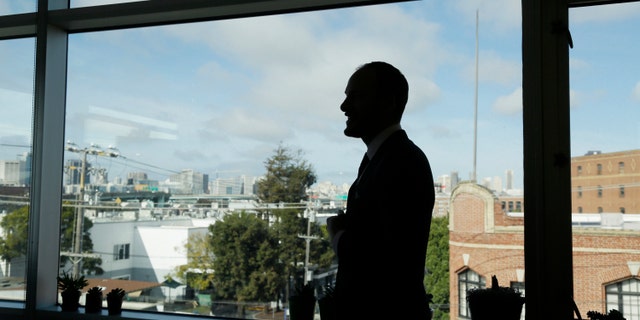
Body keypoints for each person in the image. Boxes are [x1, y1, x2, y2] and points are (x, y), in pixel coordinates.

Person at [327, 61, 435, 320]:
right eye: (346, 97)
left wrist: (337, 235)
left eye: (356, 96)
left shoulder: (401, 162)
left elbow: (384, 260)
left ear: (389, 102)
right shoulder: (384, 158)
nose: (344, 107)